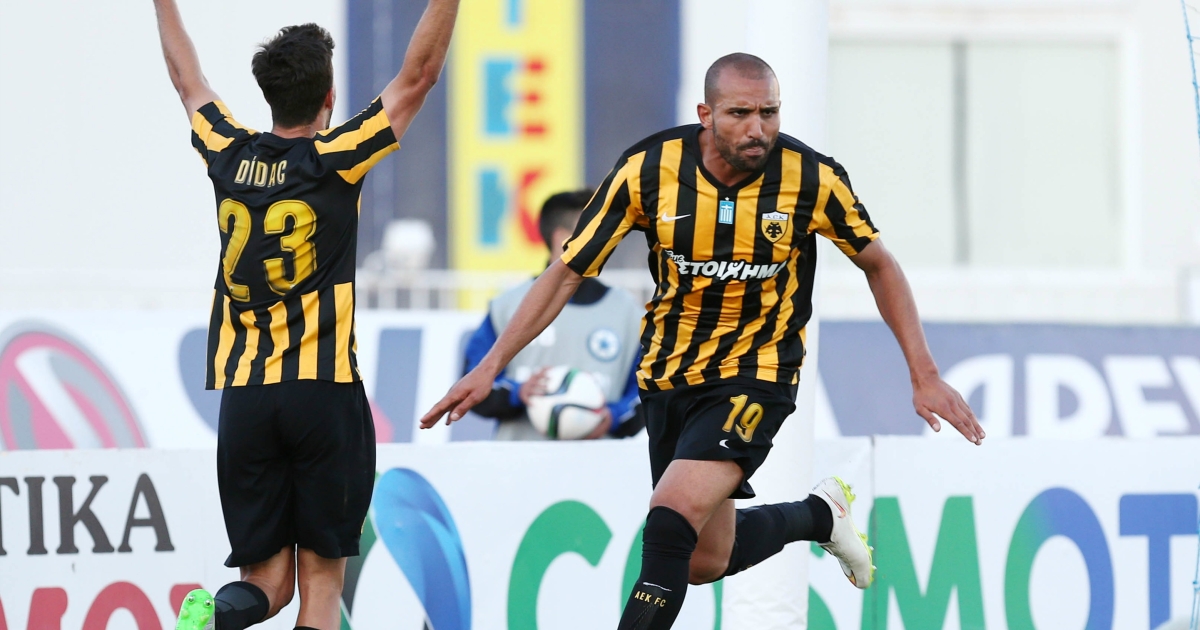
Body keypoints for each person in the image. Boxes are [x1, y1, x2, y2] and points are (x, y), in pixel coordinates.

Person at [420, 52, 983, 629]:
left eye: (769, 112)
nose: (758, 128)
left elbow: (879, 264)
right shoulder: (649, 169)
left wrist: (924, 374)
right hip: (669, 373)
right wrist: (491, 366)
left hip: (758, 371)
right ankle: (819, 515)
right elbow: (567, 272)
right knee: (701, 561)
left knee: (669, 514)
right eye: (740, 113)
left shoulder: (811, 178)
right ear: (705, 114)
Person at [153, 0, 459, 628]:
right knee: (321, 587)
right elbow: (419, 76)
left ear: (268, 96)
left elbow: (188, 81)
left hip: (245, 396)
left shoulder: (228, 154)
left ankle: (213, 618)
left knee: (265, 584)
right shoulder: (335, 157)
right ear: (329, 97)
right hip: (322, 391)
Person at [463, 190, 646, 440]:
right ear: (562, 239)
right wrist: (518, 393)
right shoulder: (507, 306)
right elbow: (473, 385)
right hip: (519, 459)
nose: (608, 241)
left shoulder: (629, 313)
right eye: (596, 231)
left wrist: (611, 417)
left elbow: (648, 392)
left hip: (598, 461)